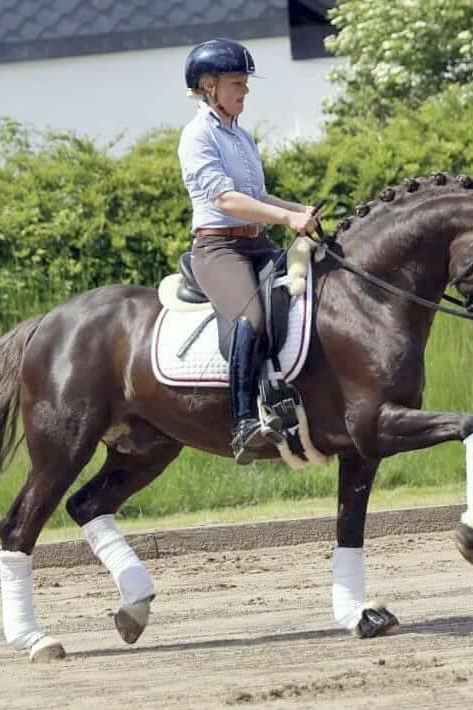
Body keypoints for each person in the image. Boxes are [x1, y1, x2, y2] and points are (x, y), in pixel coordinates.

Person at [178, 38, 318, 465]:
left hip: (257, 243)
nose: (246, 90)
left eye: (244, 82)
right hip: (219, 249)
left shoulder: (240, 135)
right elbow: (226, 200)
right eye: (237, 82)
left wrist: (300, 211)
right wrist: (287, 221)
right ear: (208, 86)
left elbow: (258, 195)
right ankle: (242, 424)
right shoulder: (197, 136)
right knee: (251, 318)